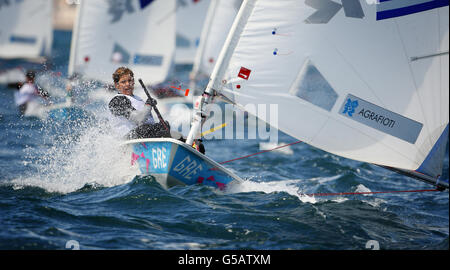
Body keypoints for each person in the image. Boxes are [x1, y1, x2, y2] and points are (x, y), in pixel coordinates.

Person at [108, 67, 171, 140]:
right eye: (123, 82)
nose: (128, 84)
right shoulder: (117, 101)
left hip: (143, 137)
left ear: (133, 81)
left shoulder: (138, 99)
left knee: (164, 126)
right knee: (144, 129)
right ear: (117, 85)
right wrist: (148, 105)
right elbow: (139, 119)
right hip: (127, 140)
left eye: (130, 80)